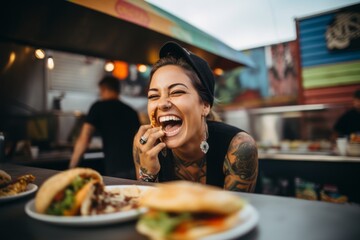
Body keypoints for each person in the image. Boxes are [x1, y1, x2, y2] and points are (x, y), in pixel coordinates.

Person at [133, 42, 258, 192]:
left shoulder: (240, 147)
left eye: (177, 92)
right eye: (153, 96)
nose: (162, 104)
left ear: (205, 105)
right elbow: (144, 211)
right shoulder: (145, 145)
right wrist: (148, 175)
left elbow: (232, 213)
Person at [69, 76, 140, 179]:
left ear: (103, 89)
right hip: (134, 168)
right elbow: (139, 142)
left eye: (100, 91)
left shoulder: (98, 107)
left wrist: (71, 167)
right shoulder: (131, 111)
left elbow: (84, 138)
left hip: (115, 169)